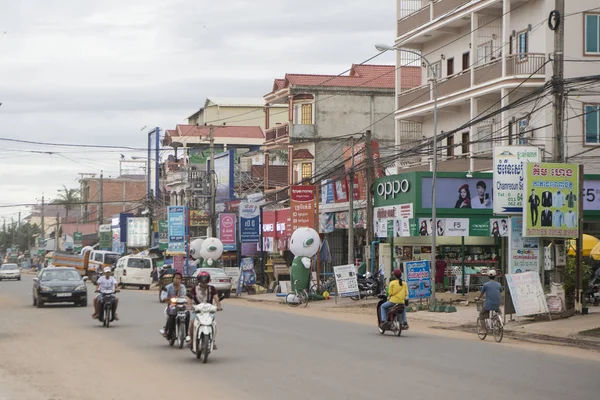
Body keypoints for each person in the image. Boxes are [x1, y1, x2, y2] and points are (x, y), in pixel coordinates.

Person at [186, 271, 222, 349]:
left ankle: (213, 340)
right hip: (197, 310)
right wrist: (189, 305)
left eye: (205, 280)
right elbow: (189, 297)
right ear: (199, 280)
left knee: (213, 324)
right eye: (202, 279)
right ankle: (192, 340)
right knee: (192, 323)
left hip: (209, 311)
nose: (204, 281)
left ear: (208, 280)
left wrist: (218, 305)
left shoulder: (212, 288)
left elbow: (216, 297)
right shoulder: (194, 288)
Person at [159, 272, 187, 337]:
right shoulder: (168, 287)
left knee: (187, 314)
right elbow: (163, 296)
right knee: (171, 315)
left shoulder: (182, 287)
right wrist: (165, 299)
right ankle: (166, 330)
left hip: (181, 305)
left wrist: (179, 290)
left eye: (179, 278)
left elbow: (184, 295)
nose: (177, 280)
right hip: (171, 305)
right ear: (173, 279)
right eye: (176, 278)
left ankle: (186, 333)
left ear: (181, 280)